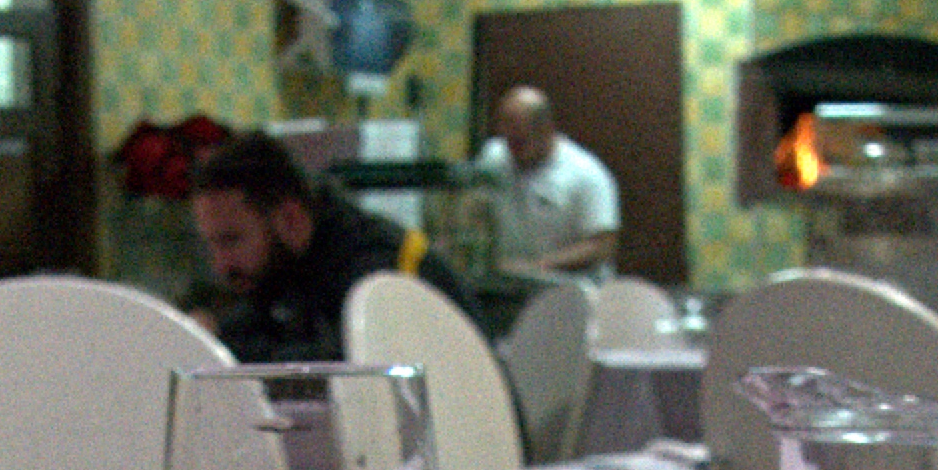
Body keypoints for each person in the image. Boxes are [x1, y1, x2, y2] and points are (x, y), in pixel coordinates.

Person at [187, 131, 480, 363]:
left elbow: (349, 370)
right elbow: (254, 324)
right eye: (212, 244)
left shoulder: (382, 266)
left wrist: (224, 350)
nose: (221, 264)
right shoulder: (283, 266)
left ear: (290, 219)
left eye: (231, 240)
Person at [473, 86, 618, 280]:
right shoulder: (492, 156)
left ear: (546, 129)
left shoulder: (586, 175)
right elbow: (474, 208)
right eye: (507, 137)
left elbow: (602, 245)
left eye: (521, 141)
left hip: (572, 286)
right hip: (509, 282)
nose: (512, 149)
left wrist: (539, 266)